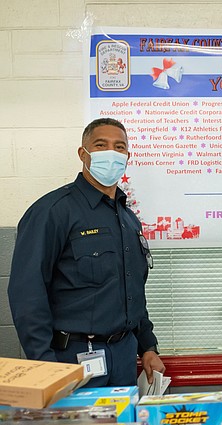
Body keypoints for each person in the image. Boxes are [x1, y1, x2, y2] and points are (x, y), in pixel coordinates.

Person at [8, 118, 165, 387]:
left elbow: (133, 292)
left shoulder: (128, 219)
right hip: (70, 358)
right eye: (101, 145)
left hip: (124, 356)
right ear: (83, 154)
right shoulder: (52, 212)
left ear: (127, 156)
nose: (111, 154)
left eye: (119, 147)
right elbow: (27, 293)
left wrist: (148, 346)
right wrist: (46, 366)